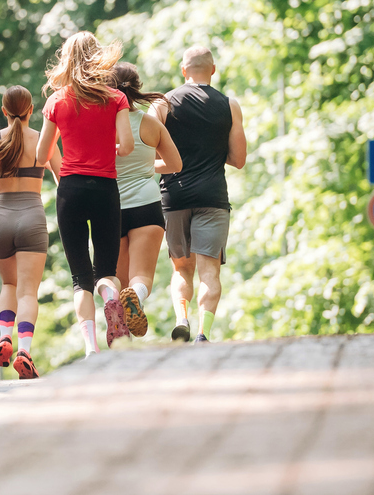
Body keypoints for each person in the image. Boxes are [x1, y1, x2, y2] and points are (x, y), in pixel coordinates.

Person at [35, 32, 134, 355]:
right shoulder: (116, 98)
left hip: (71, 190)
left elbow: (41, 154)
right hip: (105, 188)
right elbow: (127, 146)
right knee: (106, 271)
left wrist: (67, 164)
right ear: (99, 56)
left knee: (80, 276)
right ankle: (111, 301)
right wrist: (106, 146)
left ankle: (91, 348)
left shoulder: (57, 101)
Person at [150, 46, 247, 343]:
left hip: (174, 197)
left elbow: (147, 149)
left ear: (183, 71)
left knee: (181, 269)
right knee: (209, 272)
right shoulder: (229, 105)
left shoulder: (163, 103)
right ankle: (204, 332)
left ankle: (182, 318)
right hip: (213, 198)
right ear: (213, 70)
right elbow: (239, 159)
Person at [0, 86, 61, 379]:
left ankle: (4, 337)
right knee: (28, 292)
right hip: (32, 218)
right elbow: (62, 177)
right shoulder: (43, 139)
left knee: (9, 286)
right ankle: (24, 351)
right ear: (30, 110)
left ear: (4, 111)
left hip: (0, 218)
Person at [110, 63, 181, 338]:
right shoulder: (151, 124)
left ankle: (121, 339)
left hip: (111, 208)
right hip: (147, 206)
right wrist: (144, 168)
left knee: (117, 280)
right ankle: (136, 297)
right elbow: (175, 164)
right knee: (142, 278)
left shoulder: (103, 124)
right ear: (136, 87)